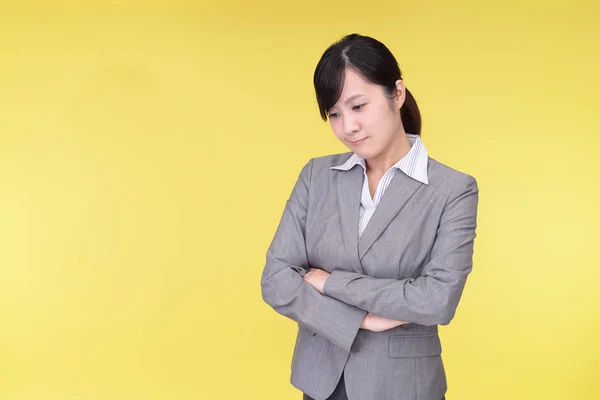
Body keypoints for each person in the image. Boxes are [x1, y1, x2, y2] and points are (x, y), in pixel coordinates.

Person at [260, 33, 479, 400]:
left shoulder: (452, 189)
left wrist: (330, 282)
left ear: (397, 93)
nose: (348, 127)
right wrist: (363, 320)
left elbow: (437, 299)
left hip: (404, 387)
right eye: (334, 114)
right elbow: (276, 279)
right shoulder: (316, 176)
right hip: (321, 384)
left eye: (358, 106)